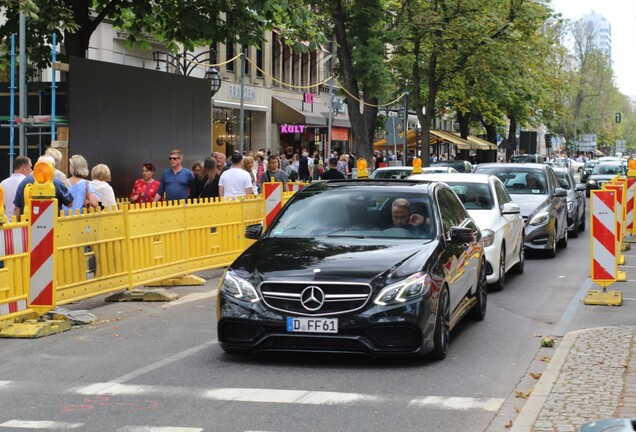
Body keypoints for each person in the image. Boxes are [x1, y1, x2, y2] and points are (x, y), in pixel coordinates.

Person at [13, 155, 73, 220]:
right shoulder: (56, 182)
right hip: (51, 224)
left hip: (28, 224)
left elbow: (17, 208)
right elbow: (70, 204)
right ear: (51, 167)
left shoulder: (24, 182)